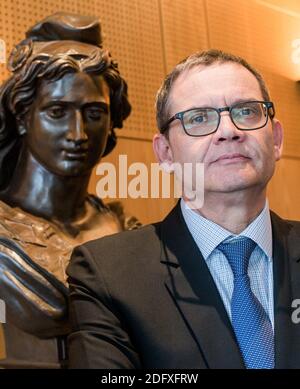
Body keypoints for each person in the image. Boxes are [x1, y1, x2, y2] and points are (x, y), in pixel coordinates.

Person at [67, 49, 300, 369]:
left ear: (275, 139)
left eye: (246, 111)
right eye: (199, 118)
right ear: (165, 153)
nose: (228, 131)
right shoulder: (106, 274)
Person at [0, 12, 139, 369]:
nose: (77, 134)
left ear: (112, 123)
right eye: (57, 111)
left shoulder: (127, 232)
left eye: (94, 113)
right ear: (21, 116)